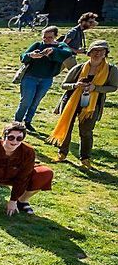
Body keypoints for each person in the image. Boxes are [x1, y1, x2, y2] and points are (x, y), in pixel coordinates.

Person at [49, 39, 117, 168]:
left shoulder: (111, 70)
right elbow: (64, 85)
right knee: (66, 128)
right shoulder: (78, 68)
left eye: (101, 51)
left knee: (86, 132)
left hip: (92, 105)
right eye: (95, 51)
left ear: (105, 53)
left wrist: (95, 88)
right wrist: (76, 85)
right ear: (89, 53)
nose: (98, 53)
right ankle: (62, 154)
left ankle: (85, 158)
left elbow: (113, 87)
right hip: (71, 102)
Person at [15, 25, 75, 132]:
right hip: (30, 77)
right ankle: (17, 123)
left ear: (55, 37)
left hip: (46, 79)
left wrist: (53, 50)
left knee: (36, 102)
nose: (46, 40)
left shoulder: (61, 46)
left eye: (50, 37)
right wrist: (30, 55)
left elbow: (67, 53)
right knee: (26, 101)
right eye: (44, 37)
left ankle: (27, 122)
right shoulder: (38, 45)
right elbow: (22, 56)